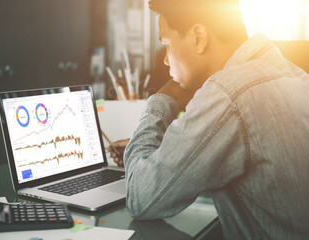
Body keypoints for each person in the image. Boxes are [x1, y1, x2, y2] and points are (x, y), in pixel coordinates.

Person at [107, 0, 309, 239]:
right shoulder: (290, 72)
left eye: (167, 44)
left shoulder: (227, 93)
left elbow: (140, 197)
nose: (165, 60)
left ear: (199, 37)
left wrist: (162, 99)